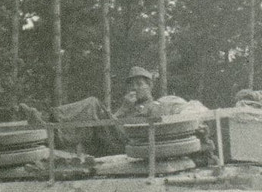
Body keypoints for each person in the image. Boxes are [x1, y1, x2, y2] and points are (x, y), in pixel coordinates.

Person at [19, 66, 164, 156]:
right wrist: (123, 109)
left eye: (139, 84)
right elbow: (112, 120)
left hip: (127, 142)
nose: (135, 88)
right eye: (132, 85)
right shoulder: (129, 104)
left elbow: (145, 133)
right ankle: (48, 125)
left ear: (150, 86)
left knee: (93, 103)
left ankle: (48, 124)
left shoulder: (154, 106)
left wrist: (125, 111)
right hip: (116, 137)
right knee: (89, 120)